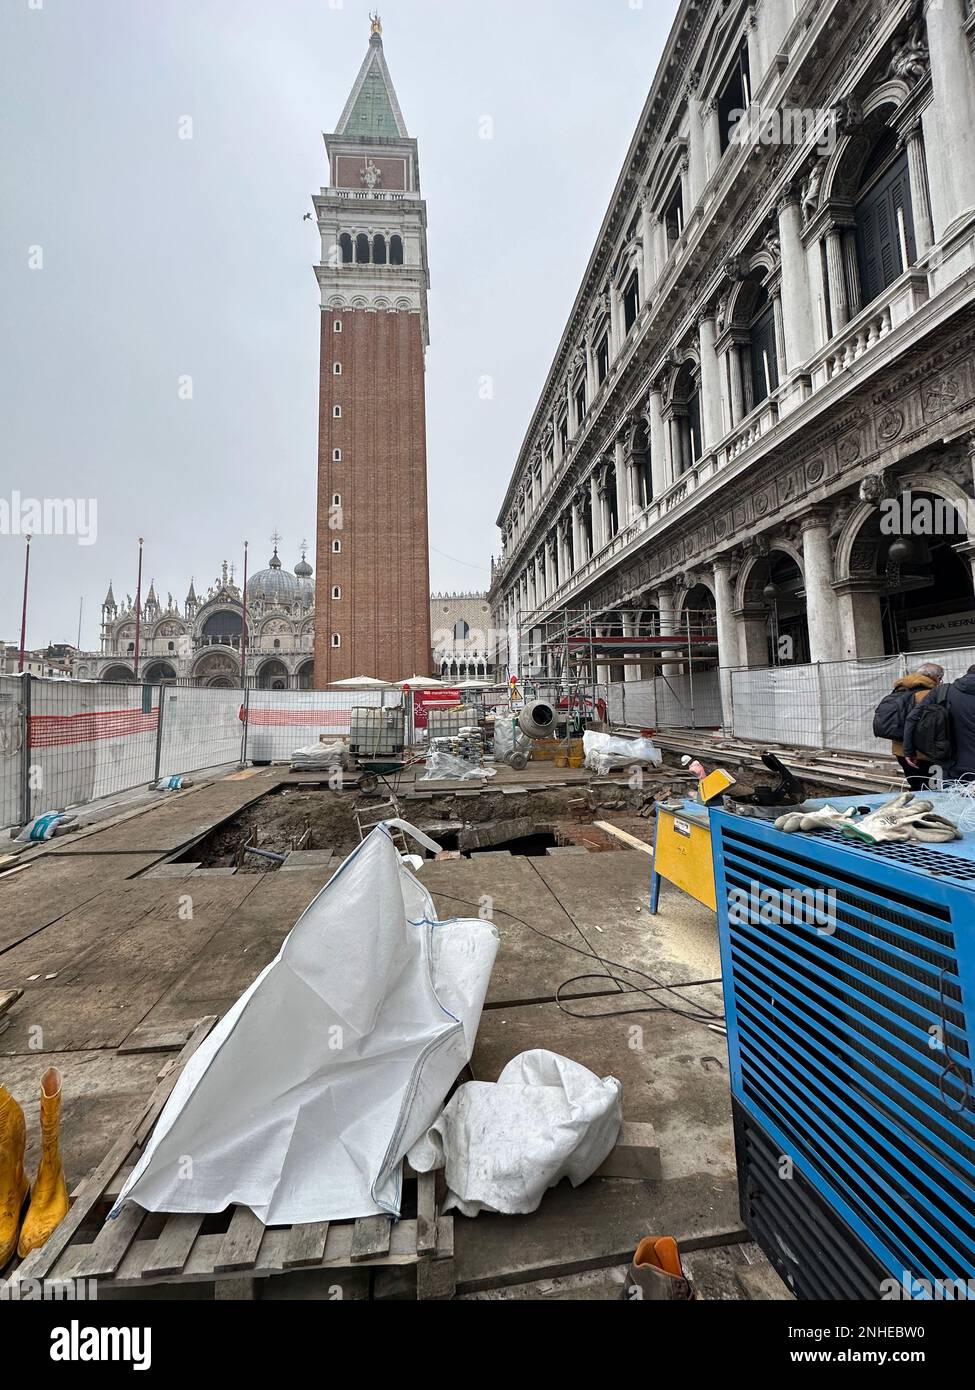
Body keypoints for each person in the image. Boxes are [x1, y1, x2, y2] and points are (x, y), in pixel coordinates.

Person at [904, 663, 975, 783]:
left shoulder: (942, 691)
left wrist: (909, 750)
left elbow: (912, 718)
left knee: (953, 800)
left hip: (951, 764)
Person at [885, 663, 943, 789]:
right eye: (940, 678)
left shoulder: (898, 691)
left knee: (916, 785)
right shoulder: (930, 695)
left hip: (900, 751)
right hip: (922, 754)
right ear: (936, 677)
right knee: (932, 790)